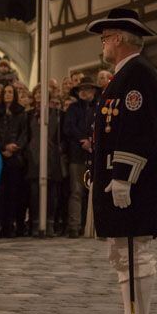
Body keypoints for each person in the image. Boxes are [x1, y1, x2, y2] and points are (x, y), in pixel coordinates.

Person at [86, 7, 157, 314]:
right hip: (119, 178)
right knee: (122, 253)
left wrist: (123, 176)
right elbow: (112, 130)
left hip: (134, 181)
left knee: (136, 251)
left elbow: (136, 131)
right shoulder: (125, 74)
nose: (103, 44)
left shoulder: (138, 73)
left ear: (119, 38)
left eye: (105, 38)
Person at [63, 76, 99, 238]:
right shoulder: (73, 109)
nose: (84, 92)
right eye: (81, 89)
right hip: (77, 155)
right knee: (76, 191)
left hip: (95, 154)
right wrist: (82, 140)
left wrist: (93, 140)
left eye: (87, 89)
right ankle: (74, 226)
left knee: (94, 192)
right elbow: (68, 127)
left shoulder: (99, 108)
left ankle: (92, 225)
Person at [0, 85, 28, 238]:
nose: (7, 94)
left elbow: (25, 134)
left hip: (15, 157)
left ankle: (10, 226)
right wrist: (3, 147)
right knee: (0, 193)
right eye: (5, 92)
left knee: (14, 193)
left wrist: (14, 147)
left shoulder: (21, 112)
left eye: (10, 92)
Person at [27, 85, 61, 238]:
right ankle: (35, 223)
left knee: (51, 193)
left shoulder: (56, 114)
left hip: (51, 156)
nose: (40, 95)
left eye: (43, 93)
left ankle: (49, 223)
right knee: (34, 193)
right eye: (37, 93)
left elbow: (60, 136)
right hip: (34, 157)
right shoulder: (28, 115)